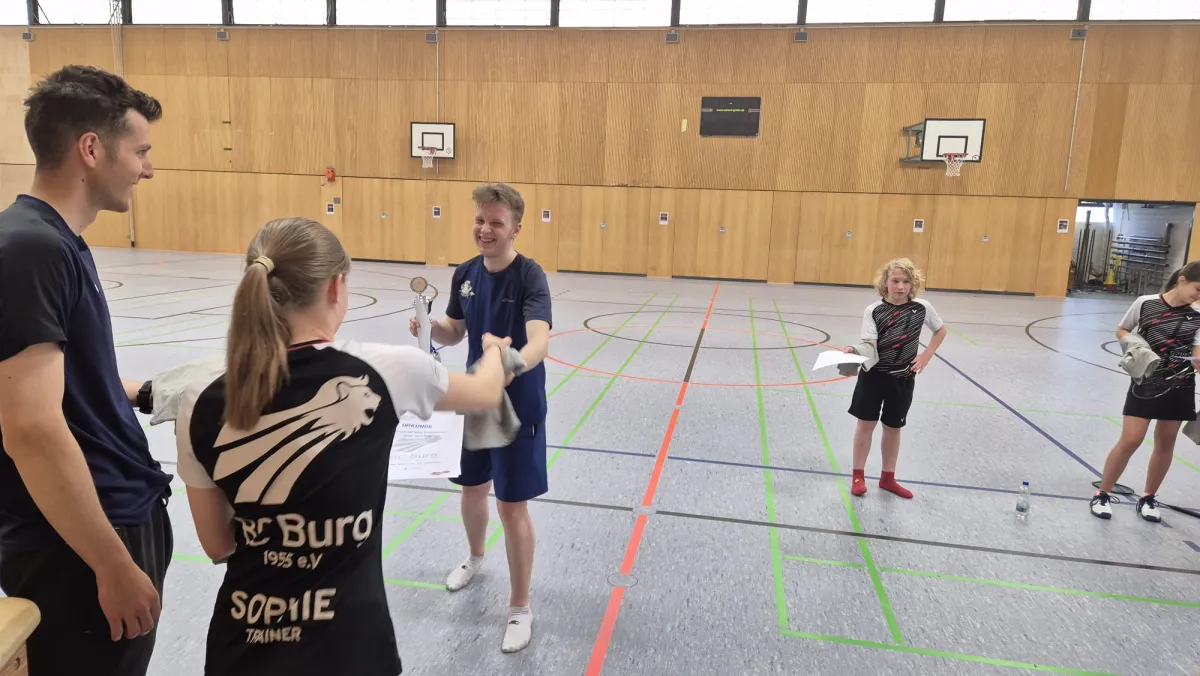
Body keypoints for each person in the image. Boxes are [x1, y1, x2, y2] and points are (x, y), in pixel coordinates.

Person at [172, 217, 510, 676]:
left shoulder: (199, 396)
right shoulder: (389, 371)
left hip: (244, 645)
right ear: (336, 287)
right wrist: (494, 350)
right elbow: (486, 393)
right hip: (350, 646)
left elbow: (217, 544)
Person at [0, 65, 173, 676]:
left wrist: (155, 393)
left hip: (109, 516)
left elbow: (63, 386)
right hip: (76, 547)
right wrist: (111, 564)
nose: (148, 169)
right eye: (140, 151)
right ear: (91, 149)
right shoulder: (32, 249)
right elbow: (32, 428)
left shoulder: (54, 241)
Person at [409, 182, 551, 654]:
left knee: (512, 507)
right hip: (474, 399)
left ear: (515, 229)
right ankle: (474, 557)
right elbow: (456, 330)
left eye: (495, 223)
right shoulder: (466, 273)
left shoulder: (530, 276)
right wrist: (431, 328)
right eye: (479, 220)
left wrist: (512, 364)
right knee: (472, 488)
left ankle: (520, 607)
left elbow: (539, 339)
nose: (485, 230)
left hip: (517, 406)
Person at [1091, 262, 1200, 521]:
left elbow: (1197, 351)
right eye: (1198, 289)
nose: (1199, 296)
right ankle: (1102, 494)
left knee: (1165, 442)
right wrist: (1136, 346)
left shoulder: (1198, 316)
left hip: (1180, 384)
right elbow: (1122, 329)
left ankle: (1148, 498)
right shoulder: (1145, 303)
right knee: (1131, 439)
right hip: (1146, 382)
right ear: (1182, 280)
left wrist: (1198, 360)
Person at [847, 258, 947, 499]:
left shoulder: (922, 308)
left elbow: (940, 331)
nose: (900, 287)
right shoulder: (873, 311)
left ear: (913, 284)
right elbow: (870, 345)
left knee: (893, 427)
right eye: (895, 281)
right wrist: (855, 351)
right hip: (873, 377)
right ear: (885, 282)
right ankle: (858, 477)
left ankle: (888, 478)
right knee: (866, 424)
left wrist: (925, 356)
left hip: (903, 378)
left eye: (906, 281)